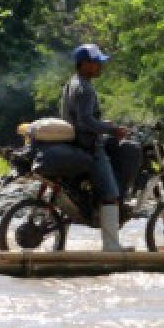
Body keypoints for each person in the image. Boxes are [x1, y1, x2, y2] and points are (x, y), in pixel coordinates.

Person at [61, 42, 132, 252]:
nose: (100, 67)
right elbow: (85, 122)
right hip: (89, 146)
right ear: (83, 64)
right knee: (111, 193)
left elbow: (83, 118)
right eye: (96, 63)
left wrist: (105, 125)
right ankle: (111, 247)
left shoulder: (72, 83)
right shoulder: (85, 89)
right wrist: (112, 130)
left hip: (75, 142)